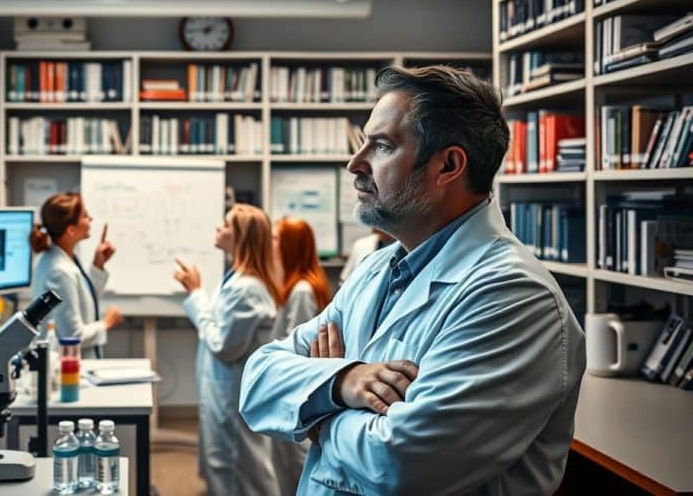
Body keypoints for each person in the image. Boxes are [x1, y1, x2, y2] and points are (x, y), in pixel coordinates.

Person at [239, 66, 585, 496]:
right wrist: (342, 382)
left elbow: (399, 465)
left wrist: (316, 413)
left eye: (381, 146)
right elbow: (256, 381)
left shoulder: (514, 297)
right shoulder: (375, 269)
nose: (355, 163)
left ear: (448, 165)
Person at [172, 203, 281, 496]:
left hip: (231, 394)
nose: (218, 228)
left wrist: (196, 294)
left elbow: (223, 346)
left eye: (226, 224)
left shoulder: (246, 288)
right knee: (223, 462)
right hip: (222, 390)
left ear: (242, 236)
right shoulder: (234, 279)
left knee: (236, 466)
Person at [269, 217, 332, 496]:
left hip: (297, 398)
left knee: (295, 473)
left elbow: (299, 355)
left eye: (274, 238)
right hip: (289, 396)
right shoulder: (294, 286)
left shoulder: (302, 291)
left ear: (289, 246)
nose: (269, 244)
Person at [30, 192, 123, 359]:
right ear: (71, 230)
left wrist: (98, 264)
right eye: (85, 216)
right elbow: (72, 336)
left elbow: (81, 299)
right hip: (72, 369)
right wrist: (106, 323)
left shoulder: (60, 258)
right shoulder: (59, 272)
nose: (91, 219)